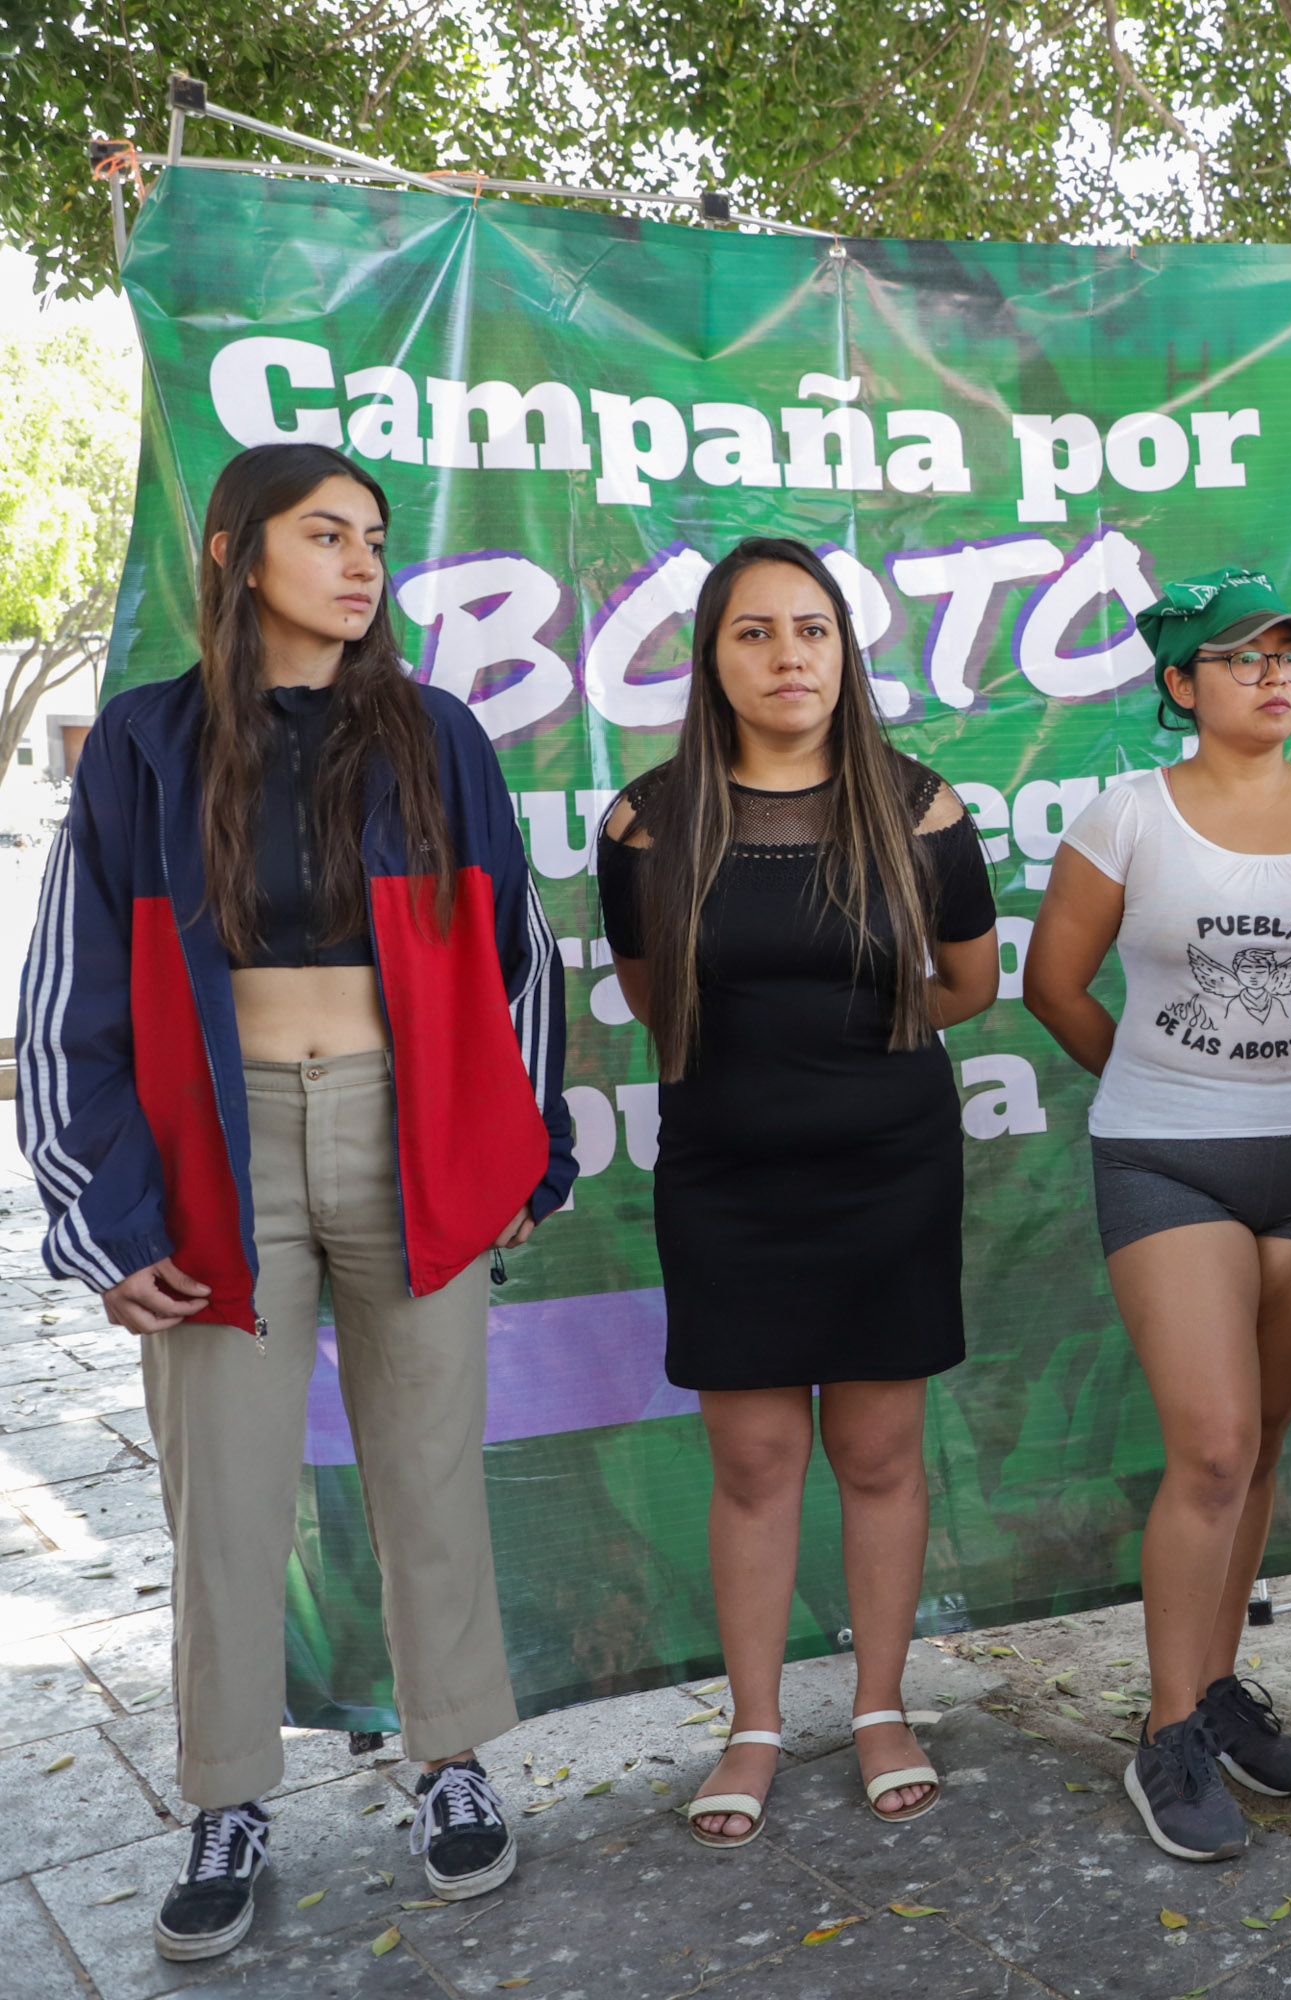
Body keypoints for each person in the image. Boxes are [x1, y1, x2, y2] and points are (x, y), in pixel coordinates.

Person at [20, 442, 574, 1961]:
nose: (359, 562)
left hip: (412, 1138)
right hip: (222, 1151)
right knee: (227, 1501)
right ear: (231, 552)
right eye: (324, 533)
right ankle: (225, 1798)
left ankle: (452, 1767)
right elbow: (70, 991)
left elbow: (515, 955)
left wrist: (522, 1156)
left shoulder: (436, 734)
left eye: (375, 540)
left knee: (428, 1473)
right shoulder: (141, 743)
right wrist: (104, 1212)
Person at [1023, 568, 1291, 1863]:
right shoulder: (1127, 815)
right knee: (1209, 1446)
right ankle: (1167, 1731)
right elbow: (1052, 984)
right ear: (1180, 684)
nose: (1273, 674)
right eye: (1242, 656)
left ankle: (1213, 1686)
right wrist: (1162, 1085)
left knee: (1260, 1446)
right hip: (1167, 1164)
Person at [599, 538, 999, 1849]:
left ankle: (883, 1705)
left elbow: (971, 985)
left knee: (879, 1456)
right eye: (756, 632)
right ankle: (754, 1725)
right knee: (755, 1461)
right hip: (728, 1181)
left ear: (847, 651)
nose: (789, 656)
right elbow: (664, 1004)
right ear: (711, 659)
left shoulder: (922, 807)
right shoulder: (647, 822)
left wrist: (848, 1053)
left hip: (890, 1173)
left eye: (813, 630)